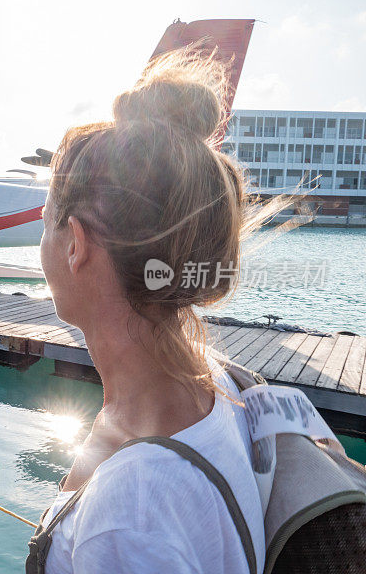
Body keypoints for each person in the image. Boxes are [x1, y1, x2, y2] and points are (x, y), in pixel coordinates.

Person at [33, 50, 285, 574]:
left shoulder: (130, 517)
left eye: (45, 220)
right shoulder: (211, 384)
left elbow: (130, 510)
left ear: (75, 244)